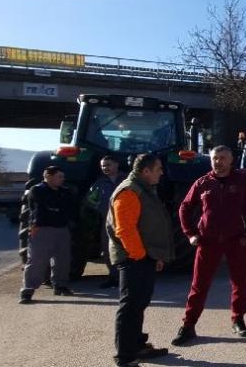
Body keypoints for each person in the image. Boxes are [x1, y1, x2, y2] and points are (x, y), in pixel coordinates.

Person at [172, 145, 246, 345]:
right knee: (199, 285)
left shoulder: (243, 181)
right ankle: (188, 325)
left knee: (239, 283)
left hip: (235, 240)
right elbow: (184, 207)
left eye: (222, 158)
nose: (218, 162)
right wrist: (190, 234)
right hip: (207, 241)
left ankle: (238, 320)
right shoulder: (203, 183)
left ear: (231, 160)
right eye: (214, 158)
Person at [107, 154, 174, 367]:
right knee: (130, 306)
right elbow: (124, 229)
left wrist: (154, 256)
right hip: (133, 258)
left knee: (138, 304)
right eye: (158, 169)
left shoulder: (143, 189)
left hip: (143, 257)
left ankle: (137, 345)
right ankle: (125, 356)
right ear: (145, 171)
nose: (161, 173)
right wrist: (140, 256)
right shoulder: (129, 191)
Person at [19, 165, 76, 303]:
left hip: (62, 228)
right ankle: (28, 290)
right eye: (59, 177)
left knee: (63, 259)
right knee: (37, 260)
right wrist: (56, 210)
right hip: (41, 228)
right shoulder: (37, 190)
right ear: (48, 177)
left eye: (63, 176)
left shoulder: (65, 191)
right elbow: (43, 208)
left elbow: (69, 208)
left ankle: (60, 285)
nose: (62, 179)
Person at [87, 155, 126, 288]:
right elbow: (91, 200)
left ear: (116, 164)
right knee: (108, 249)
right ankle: (114, 277)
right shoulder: (99, 183)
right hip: (108, 221)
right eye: (103, 166)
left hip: (127, 221)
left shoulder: (127, 180)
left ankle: (127, 278)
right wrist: (101, 209)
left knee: (127, 248)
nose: (105, 168)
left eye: (108, 165)